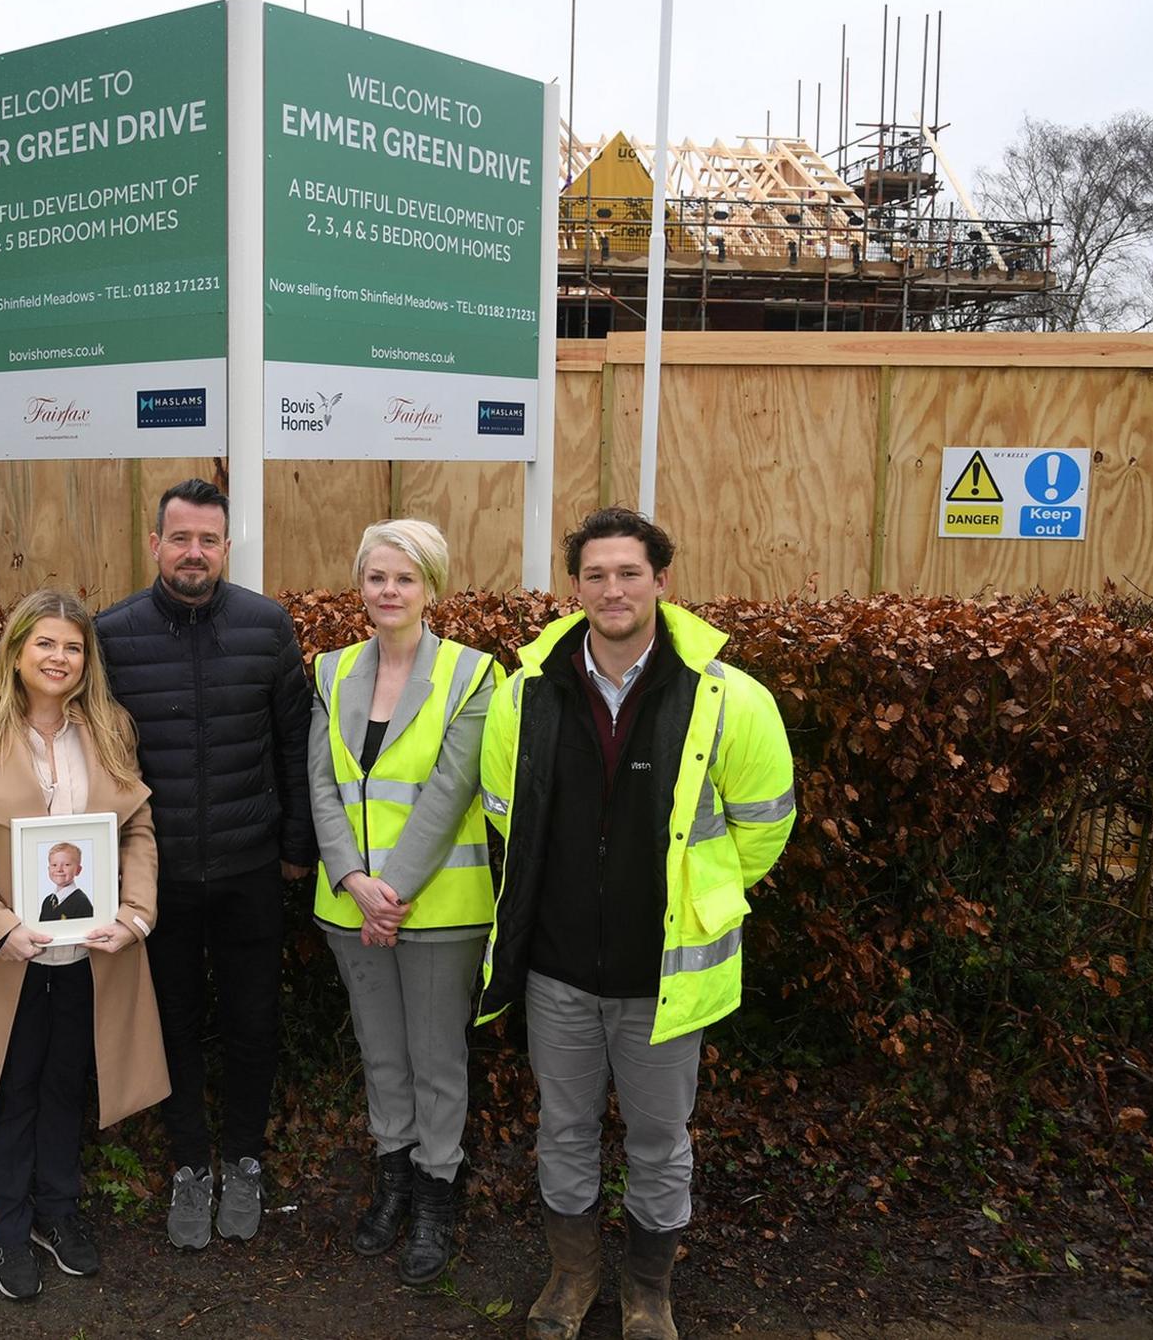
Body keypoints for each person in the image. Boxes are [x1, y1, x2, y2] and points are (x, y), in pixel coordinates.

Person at [478, 507, 795, 1340]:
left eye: (629, 573)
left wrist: (704, 901)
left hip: (668, 975)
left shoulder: (728, 698)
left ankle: (649, 1291)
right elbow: (507, 817)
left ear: (661, 581)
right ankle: (573, 1276)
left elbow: (764, 825)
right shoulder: (527, 694)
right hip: (558, 972)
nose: (611, 589)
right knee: (565, 1128)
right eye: (594, 574)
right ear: (574, 586)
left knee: (659, 1139)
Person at [0, 590, 167, 1302]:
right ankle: (9, 1225)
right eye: (44, 643)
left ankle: (57, 1212)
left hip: (88, 951)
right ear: (16, 651)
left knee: (62, 1085)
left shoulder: (110, 727)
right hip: (3, 954)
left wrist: (136, 912)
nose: (59, 658)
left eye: (72, 647)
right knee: (7, 1090)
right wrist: (1, 927)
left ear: (87, 660)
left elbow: (137, 830)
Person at [96, 478, 317, 1249]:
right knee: (172, 1022)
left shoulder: (266, 626)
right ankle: (191, 1161)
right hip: (155, 879)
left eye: (209, 540)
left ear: (227, 547)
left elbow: (296, 743)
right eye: (180, 538)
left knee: (254, 1019)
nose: (195, 552)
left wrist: (296, 849)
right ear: (154, 543)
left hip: (249, 864)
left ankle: (246, 1157)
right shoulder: (112, 634)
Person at [307, 520, 497, 1285]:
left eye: (405, 579)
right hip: (349, 905)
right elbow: (321, 784)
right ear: (361, 586)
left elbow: (453, 790)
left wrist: (393, 894)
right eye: (377, 577)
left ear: (432, 588)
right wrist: (355, 883)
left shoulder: (473, 674)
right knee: (381, 1054)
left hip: (439, 908)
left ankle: (435, 1200)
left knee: (436, 1060)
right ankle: (391, 1184)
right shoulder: (328, 670)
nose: (389, 591)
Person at [39, 843, 95, 921]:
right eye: (54, 865)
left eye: (67, 864)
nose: (59, 869)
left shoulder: (82, 903)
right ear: (48, 869)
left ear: (78, 870)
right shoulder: (47, 902)